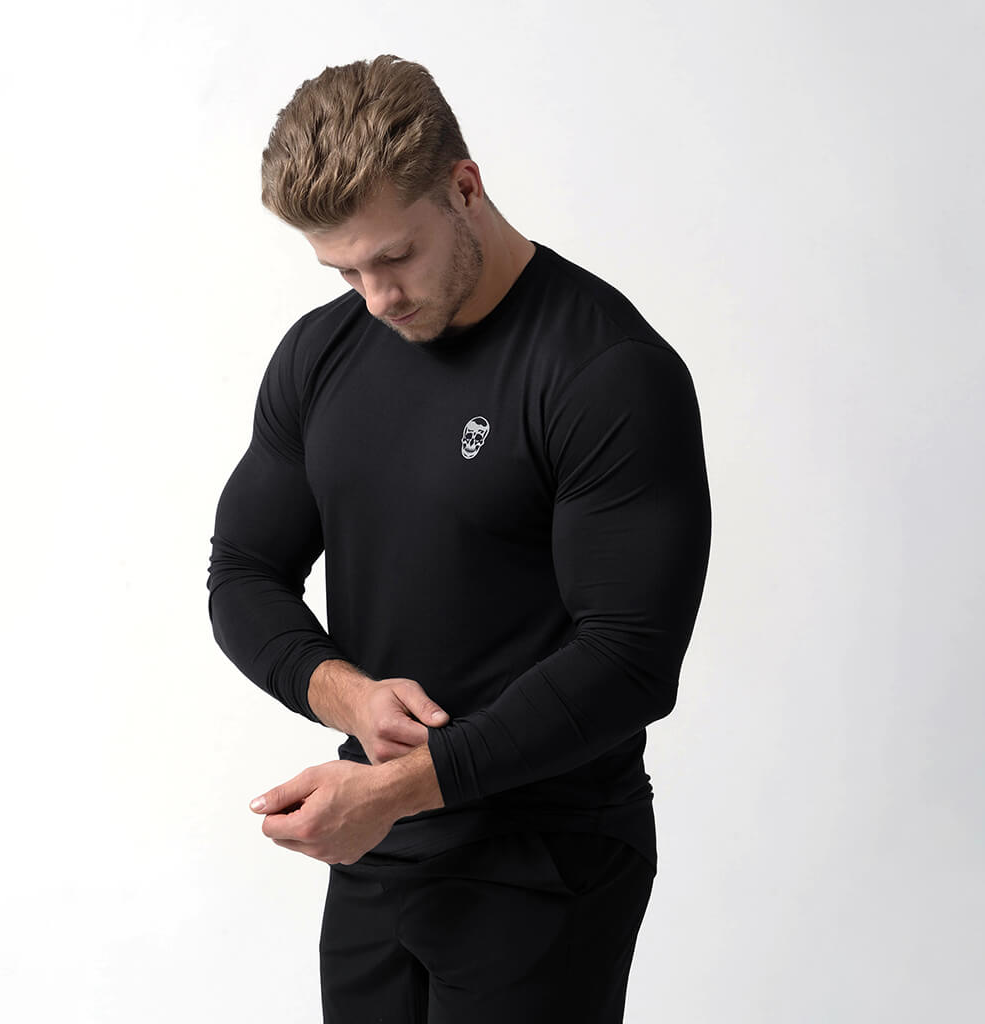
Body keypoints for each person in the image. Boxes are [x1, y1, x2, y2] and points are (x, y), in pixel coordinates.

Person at [207, 54, 711, 1024]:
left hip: (547, 856)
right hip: (376, 848)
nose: (376, 296)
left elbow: (631, 659)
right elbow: (242, 570)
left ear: (465, 187)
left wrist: (405, 786)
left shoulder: (604, 369)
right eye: (344, 270)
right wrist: (345, 693)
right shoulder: (321, 353)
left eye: (394, 257)